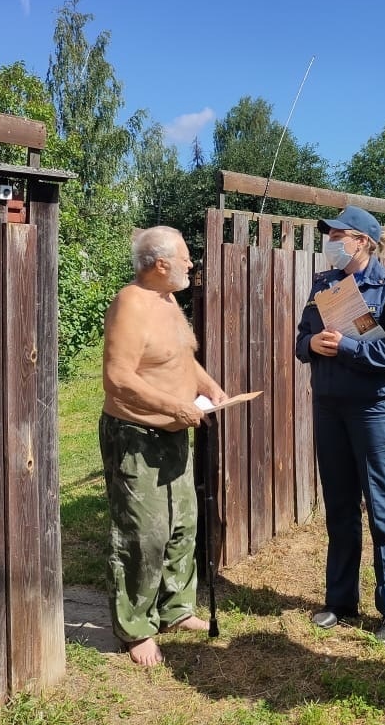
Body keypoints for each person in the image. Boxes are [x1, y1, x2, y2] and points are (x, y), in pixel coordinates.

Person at [100, 226, 227, 666]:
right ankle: (135, 626)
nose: (192, 264)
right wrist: (174, 406)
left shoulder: (167, 299)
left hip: (174, 431)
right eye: (186, 258)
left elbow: (179, 356)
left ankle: (175, 609)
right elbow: (118, 379)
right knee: (144, 532)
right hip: (137, 436)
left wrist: (208, 385)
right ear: (160, 264)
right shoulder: (131, 304)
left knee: (181, 523)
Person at [294, 205, 385, 644]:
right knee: (340, 508)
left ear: (363, 240)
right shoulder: (325, 285)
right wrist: (313, 343)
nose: (331, 241)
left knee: (384, 507)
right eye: (328, 235)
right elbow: (300, 341)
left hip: (373, 411)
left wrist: (346, 347)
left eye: (338, 235)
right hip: (330, 408)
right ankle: (341, 600)